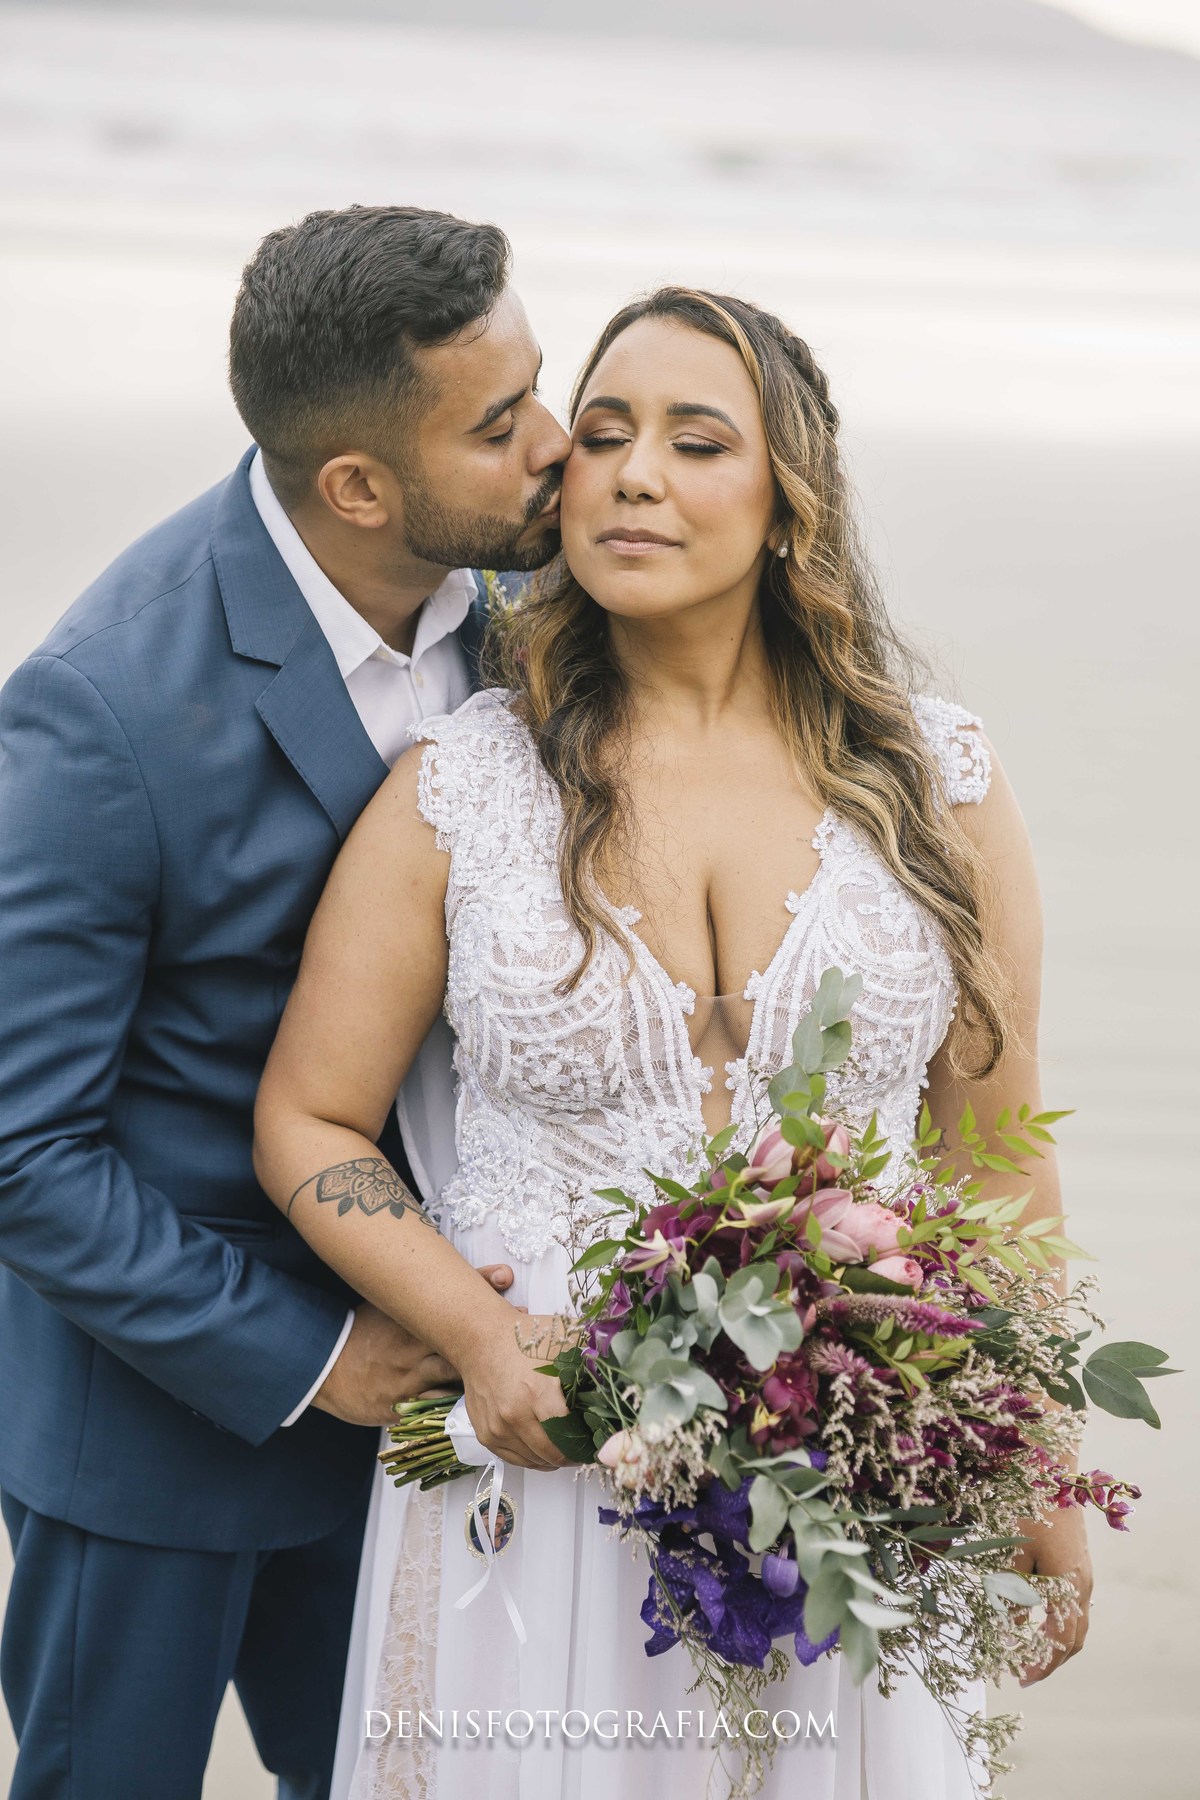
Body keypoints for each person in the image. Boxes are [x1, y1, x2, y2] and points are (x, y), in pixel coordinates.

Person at [253, 287, 1093, 1800]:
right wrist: (478, 1332)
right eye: (610, 432)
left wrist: (1031, 1447)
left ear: (790, 506)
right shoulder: (463, 788)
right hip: (536, 1466)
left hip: (837, 1471)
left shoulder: (938, 783)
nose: (633, 472)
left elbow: (991, 1149)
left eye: (699, 442)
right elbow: (310, 1124)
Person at [0, 203, 570, 1800]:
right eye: (498, 422)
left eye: (539, 384)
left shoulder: (528, 617)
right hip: (165, 1424)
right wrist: (315, 1359)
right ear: (358, 487)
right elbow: (19, 1151)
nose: (555, 443)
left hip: (448, 1411)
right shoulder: (102, 709)